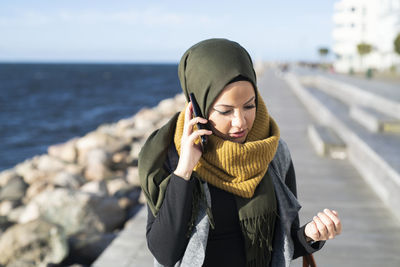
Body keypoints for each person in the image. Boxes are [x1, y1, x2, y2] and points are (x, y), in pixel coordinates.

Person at [139, 38, 342, 267]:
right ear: (197, 107)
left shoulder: (273, 152)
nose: (240, 123)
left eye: (249, 106)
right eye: (225, 111)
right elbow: (164, 253)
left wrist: (312, 235)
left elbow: (283, 246)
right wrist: (184, 171)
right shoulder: (171, 154)